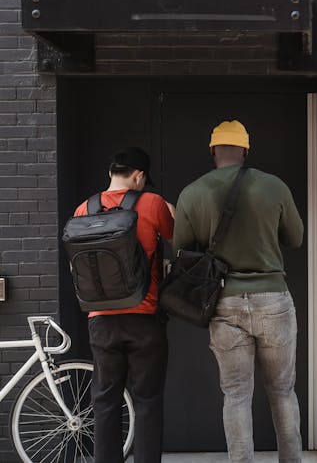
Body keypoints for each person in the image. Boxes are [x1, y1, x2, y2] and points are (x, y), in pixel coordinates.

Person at [173, 120, 304, 463]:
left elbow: (182, 251)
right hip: (273, 299)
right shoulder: (274, 186)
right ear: (245, 150)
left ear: (213, 150)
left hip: (224, 302)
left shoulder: (192, 192)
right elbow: (296, 238)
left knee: (235, 396)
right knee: (282, 392)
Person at [73, 147, 174, 463]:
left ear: (111, 173)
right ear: (139, 176)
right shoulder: (151, 203)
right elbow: (177, 236)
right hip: (143, 317)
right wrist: (172, 209)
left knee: (104, 402)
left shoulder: (82, 209)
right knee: (146, 401)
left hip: (101, 320)